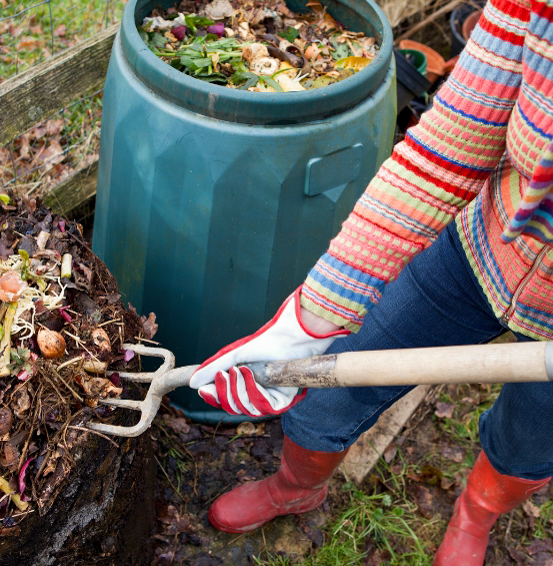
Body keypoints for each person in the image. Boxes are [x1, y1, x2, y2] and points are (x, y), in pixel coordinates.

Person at [188, 0, 553, 563]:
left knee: (529, 445)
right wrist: (311, 316)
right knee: (330, 388)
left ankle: (474, 515)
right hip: (483, 248)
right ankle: (296, 489)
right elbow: (451, 142)